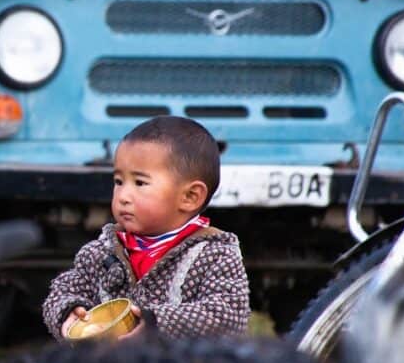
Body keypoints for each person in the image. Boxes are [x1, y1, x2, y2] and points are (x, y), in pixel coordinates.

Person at [42, 116, 250, 342]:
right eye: (119, 182)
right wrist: (68, 313)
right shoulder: (102, 251)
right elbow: (63, 290)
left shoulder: (215, 255)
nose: (123, 196)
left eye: (140, 183)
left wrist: (155, 323)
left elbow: (228, 316)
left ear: (190, 197)